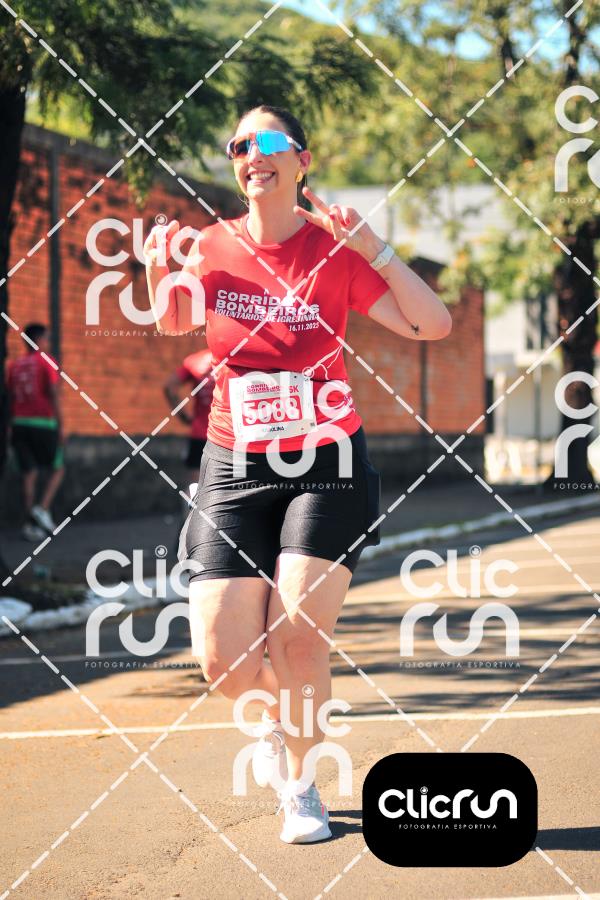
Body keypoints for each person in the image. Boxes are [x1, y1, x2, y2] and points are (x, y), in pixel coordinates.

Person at [144, 105, 451, 844]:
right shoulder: (212, 246)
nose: (254, 153)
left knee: (299, 641)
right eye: (240, 145)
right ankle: (283, 721)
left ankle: (301, 785)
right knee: (222, 661)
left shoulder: (334, 249)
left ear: (301, 160)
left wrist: (375, 249)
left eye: (270, 141)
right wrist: (159, 267)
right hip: (234, 464)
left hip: (327, 463)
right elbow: (173, 321)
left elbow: (432, 323)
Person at [6, 323, 65, 541]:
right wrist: (61, 425)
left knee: (28, 474)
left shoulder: (14, 366)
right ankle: (42, 509)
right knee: (57, 468)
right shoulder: (46, 361)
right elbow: (53, 393)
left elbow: (10, 397)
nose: (48, 342)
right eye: (47, 338)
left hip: (19, 424)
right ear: (39, 340)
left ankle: (30, 524)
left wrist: (10, 426)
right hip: (43, 424)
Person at [163, 348, 215, 554]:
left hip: (199, 434)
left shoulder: (194, 361)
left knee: (194, 487)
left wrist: (183, 416)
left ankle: (186, 538)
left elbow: (169, 387)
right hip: (228, 437)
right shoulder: (232, 357)